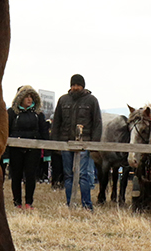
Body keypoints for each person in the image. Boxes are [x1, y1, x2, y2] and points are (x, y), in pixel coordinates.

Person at [51, 74, 102, 210]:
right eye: (73, 85)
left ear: (83, 86)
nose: (75, 87)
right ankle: (70, 204)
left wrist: (94, 144)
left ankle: (86, 206)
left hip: (84, 144)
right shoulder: (63, 100)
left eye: (78, 85)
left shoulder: (92, 100)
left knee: (84, 175)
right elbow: (56, 123)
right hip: (66, 143)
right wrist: (55, 143)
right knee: (68, 175)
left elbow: (97, 123)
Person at [7, 86, 48, 210]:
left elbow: (44, 132)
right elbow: (6, 132)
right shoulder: (12, 113)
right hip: (15, 149)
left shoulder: (38, 114)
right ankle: (17, 203)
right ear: (20, 98)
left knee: (31, 176)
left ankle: (29, 203)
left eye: (31, 96)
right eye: (26, 96)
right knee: (16, 176)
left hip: (33, 150)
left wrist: (47, 152)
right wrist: (5, 154)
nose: (29, 99)